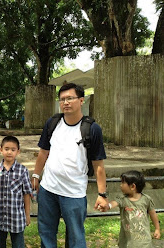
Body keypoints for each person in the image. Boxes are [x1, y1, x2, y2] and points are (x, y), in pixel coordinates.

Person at [32, 83, 108, 248]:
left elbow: (98, 165)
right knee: (46, 232)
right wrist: (36, 176)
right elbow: (43, 153)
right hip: (48, 190)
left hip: (74, 193)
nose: (65, 102)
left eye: (70, 98)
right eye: (62, 99)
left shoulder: (92, 129)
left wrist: (102, 194)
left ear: (81, 100)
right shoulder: (52, 123)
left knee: (76, 236)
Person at [0, 136, 33, 248]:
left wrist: (27, 215)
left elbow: (26, 194)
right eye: (6, 149)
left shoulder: (22, 170)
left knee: (18, 244)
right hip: (0, 216)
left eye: (13, 150)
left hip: (17, 217)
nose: (9, 152)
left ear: (18, 152)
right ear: (1, 150)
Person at [108, 170, 161, 248]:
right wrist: (107, 205)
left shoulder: (146, 200)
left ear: (133, 186)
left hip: (145, 242)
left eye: (123, 183)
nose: (120, 185)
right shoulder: (122, 199)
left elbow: (153, 214)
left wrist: (157, 229)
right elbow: (114, 203)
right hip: (127, 242)